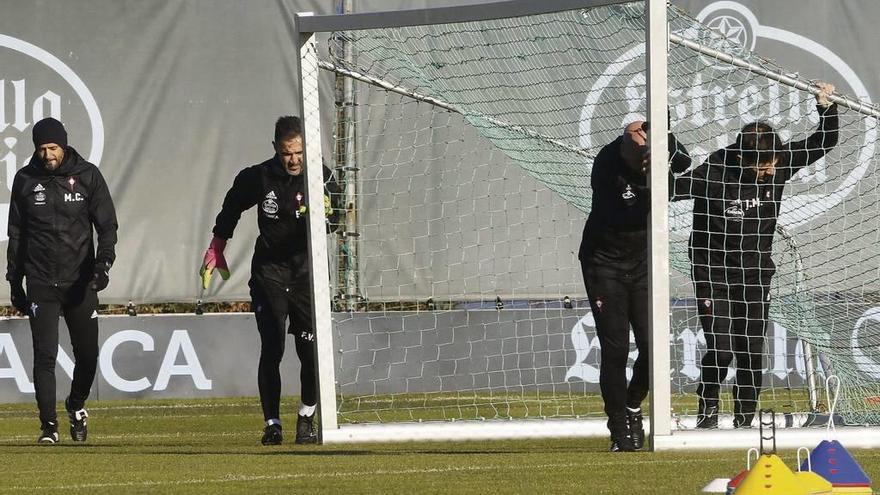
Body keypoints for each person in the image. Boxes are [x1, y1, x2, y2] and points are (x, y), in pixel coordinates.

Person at [671, 82, 838, 429]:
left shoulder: (779, 164)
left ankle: (744, 421)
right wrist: (665, 153)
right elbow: (670, 190)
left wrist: (825, 105)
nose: (771, 171)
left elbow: (824, 142)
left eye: (774, 163)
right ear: (745, 159)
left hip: (755, 274)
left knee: (750, 350)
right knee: (721, 349)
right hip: (712, 273)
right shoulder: (715, 171)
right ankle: (707, 413)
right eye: (763, 166)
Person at [200, 116, 340, 446]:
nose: (294, 160)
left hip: (308, 276)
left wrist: (326, 217)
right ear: (276, 148)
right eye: (287, 153)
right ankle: (272, 423)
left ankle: (307, 417)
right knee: (273, 345)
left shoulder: (322, 177)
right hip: (269, 276)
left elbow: (335, 222)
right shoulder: (260, 177)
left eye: (299, 153)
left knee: (310, 353)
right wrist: (216, 246)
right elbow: (231, 207)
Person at [579, 119, 691, 451]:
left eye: (648, 149)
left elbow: (682, 165)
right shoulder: (607, 163)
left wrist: (665, 144)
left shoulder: (656, 155)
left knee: (653, 345)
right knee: (616, 348)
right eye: (638, 150)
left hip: (644, 265)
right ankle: (619, 429)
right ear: (625, 144)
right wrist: (648, 174)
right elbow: (626, 216)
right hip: (604, 264)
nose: (643, 155)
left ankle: (632, 404)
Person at [6, 117, 118, 444]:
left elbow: (107, 227)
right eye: (41, 148)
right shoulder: (25, 180)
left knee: (87, 355)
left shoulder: (87, 176)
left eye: (52, 147)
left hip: (81, 282)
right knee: (44, 355)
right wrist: (15, 281)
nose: (47, 154)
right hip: (41, 281)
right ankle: (48, 427)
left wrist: (102, 265)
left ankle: (76, 404)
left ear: (64, 145)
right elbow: (16, 235)